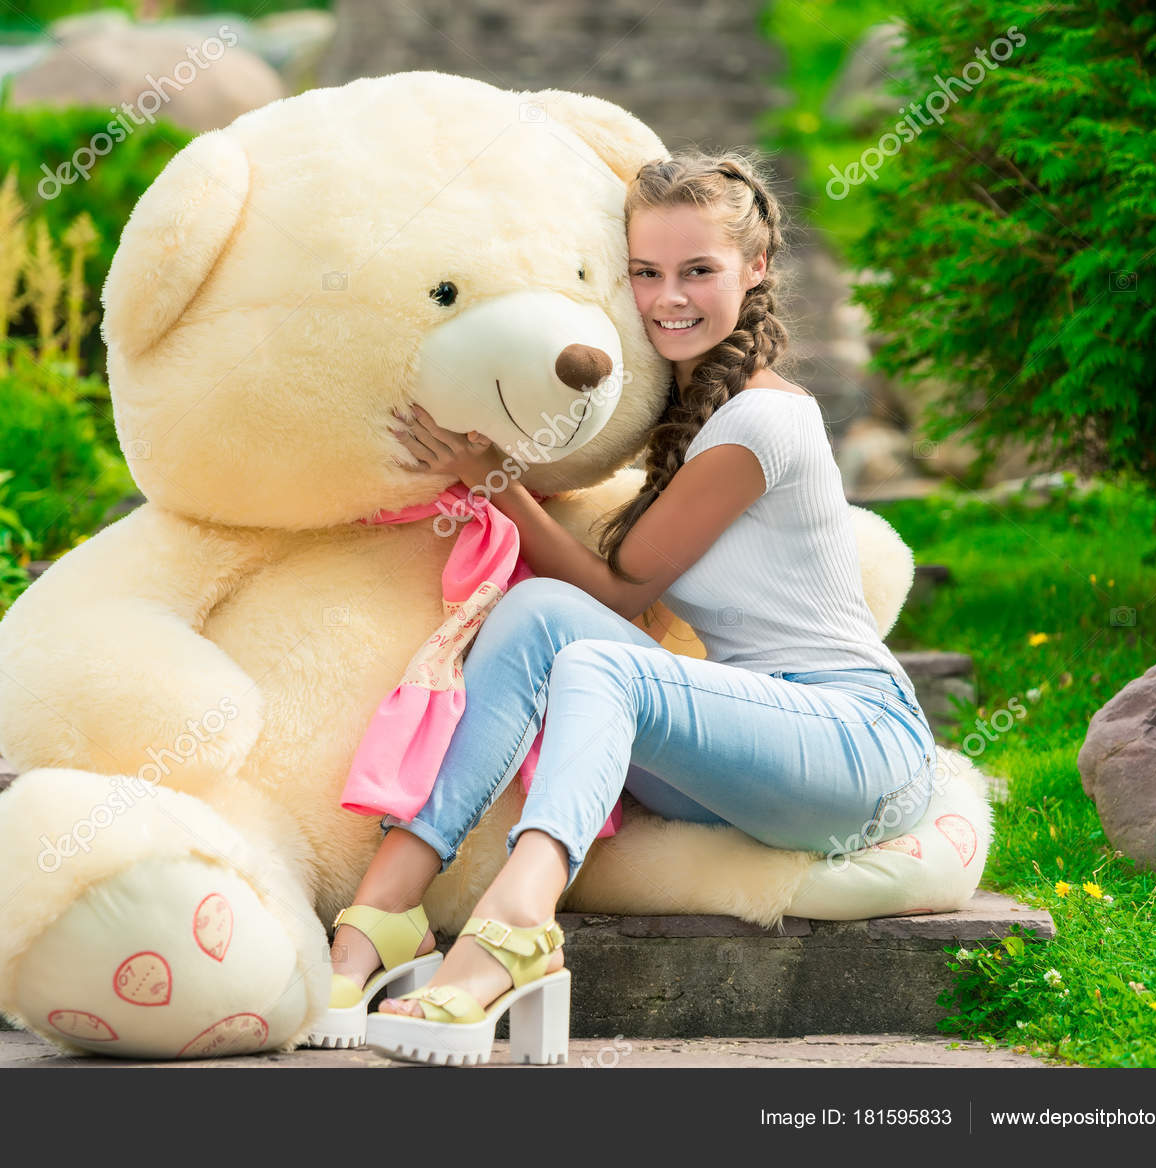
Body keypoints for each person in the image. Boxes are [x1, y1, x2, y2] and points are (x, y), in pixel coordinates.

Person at [313, 149, 938, 1066]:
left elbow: (615, 595)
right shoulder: (687, 412)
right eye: (646, 272)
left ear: (755, 270)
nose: (667, 298)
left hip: (859, 748)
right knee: (531, 620)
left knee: (592, 652)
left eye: (698, 271)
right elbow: (576, 595)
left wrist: (493, 479)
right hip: (757, 753)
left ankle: (518, 922)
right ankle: (382, 914)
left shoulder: (762, 421)